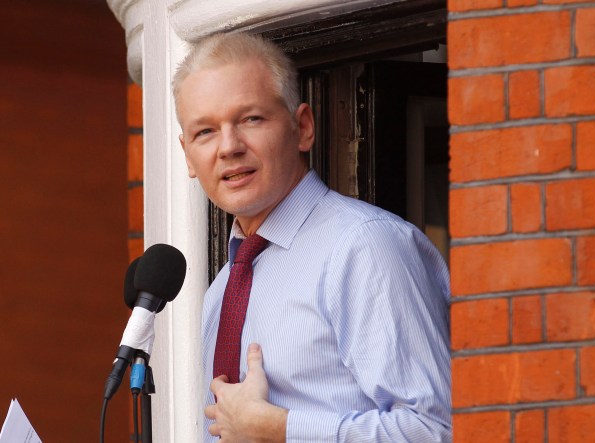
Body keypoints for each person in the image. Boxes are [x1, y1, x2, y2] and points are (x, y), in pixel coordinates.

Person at [173, 32, 451, 442]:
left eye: (251, 119)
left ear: (302, 127)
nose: (228, 147)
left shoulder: (364, 247)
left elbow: (438, 430)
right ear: (188, 157)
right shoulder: (222, 290)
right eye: (205, 132)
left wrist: (280, 429)